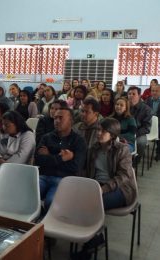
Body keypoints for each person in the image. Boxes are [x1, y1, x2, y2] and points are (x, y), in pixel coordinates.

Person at [76, 118, 136, 259]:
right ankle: (93, 239)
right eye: (98, 130)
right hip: (97, 186)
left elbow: (124, 176)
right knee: (76, 201)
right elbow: (86, 171)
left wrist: (103, 189)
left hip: (121, 190)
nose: (99, 133)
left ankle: (93, 241)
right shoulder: (93, 149)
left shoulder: (122, 149)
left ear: (113, 135)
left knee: (91, 204)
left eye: (103, 131)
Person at [35, 107, 86, 211]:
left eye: (61, 118)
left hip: (64, 180)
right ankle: (34, 220)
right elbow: (38, 160)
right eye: (55, 118)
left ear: (71, 121)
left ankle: (46, 223)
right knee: (28, 196)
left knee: (51, 202)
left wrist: (49, 155)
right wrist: (61, 158)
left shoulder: (79, 141)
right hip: (43, 176)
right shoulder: (46, 137)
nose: (57, 121)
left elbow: (75, 167)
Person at [0, 111, 35, 200]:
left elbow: (21, 157)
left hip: (17, 169)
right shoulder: (0, 132)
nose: (4, 127)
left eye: (7, 125)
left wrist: (3, 167)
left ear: (17, 124)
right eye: (3, 124)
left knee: (0, 188)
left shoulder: (28, 135)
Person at [128, 86, 152, 159]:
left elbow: (146, 127)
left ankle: (136, 161)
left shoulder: (146, 109)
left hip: (139, 132)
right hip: (125, 131)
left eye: (133, 94)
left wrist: (135, 134)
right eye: (129, 94)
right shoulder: (124, 106)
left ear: (139, 95)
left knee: (141, 143)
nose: (131, 95)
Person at [145, 84, 160, 161]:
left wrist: (156, 122)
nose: (154, 92)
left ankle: (158, 152)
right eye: (153, 91)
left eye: (156, 91)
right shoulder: (148, 100)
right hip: (148, 122)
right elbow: (144, 112)